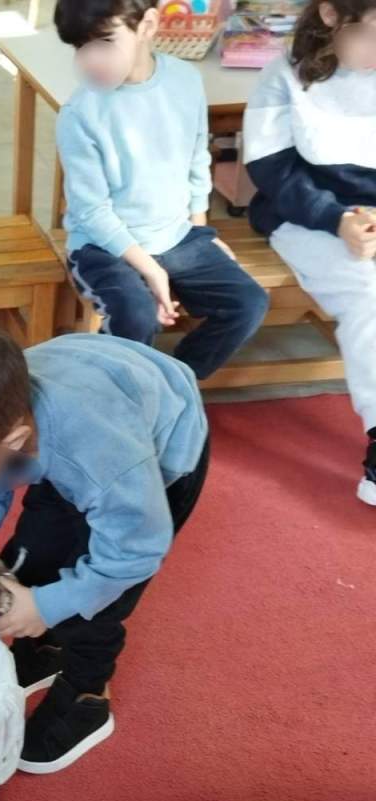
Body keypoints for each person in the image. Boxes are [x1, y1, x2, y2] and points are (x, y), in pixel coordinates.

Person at [0, 313, 210, 773]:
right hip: (80, 410)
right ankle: (45, 649)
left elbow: (135, 552)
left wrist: (47, 607)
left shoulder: (100, 456)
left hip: (157, 447)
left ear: (13, 441)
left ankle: (87, 698)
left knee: (92, 607)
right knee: (30, 559)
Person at [54, 0, 269, 380]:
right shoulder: (79, 114)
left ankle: (173, 382)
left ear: (148, 24)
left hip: (177, 235)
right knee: (136, 316)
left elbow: (196, 157)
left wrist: (201, 230)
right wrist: (151, 271)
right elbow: (91, 211)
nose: (89, 60)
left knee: (248, 303)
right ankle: (115, 393)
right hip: (103, 248)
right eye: (80, 46)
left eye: (105, 41)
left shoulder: (185, 80)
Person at [244, 0, 376, 505]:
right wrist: (337, 219)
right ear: (330, 15)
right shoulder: (286, 74)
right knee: (367, 294)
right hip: (308, 218)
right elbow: (272, 170)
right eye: (368, 33)